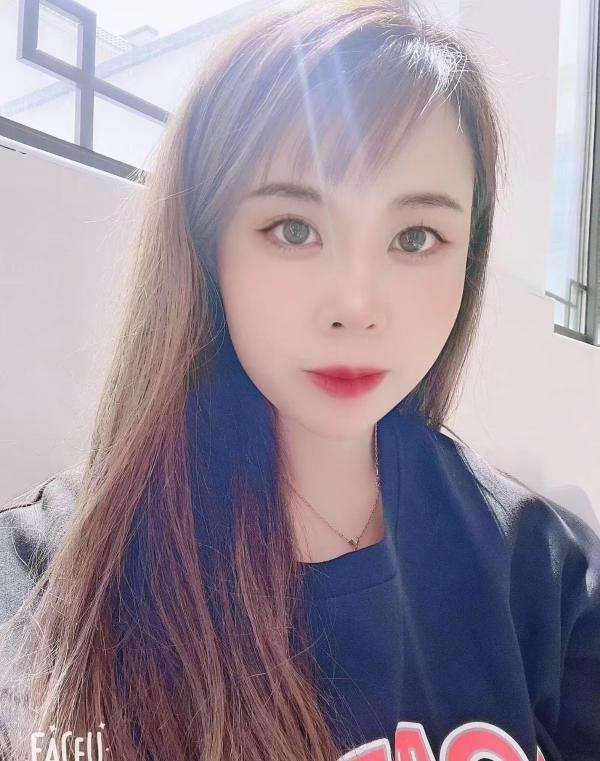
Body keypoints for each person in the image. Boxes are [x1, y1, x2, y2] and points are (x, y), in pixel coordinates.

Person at [1, 0, 599, 759]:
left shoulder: (544, 573)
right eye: (295, 229)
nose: (356, 305)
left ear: (468, 259)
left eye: (416, 237)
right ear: (207, 247)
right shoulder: (46, 577)